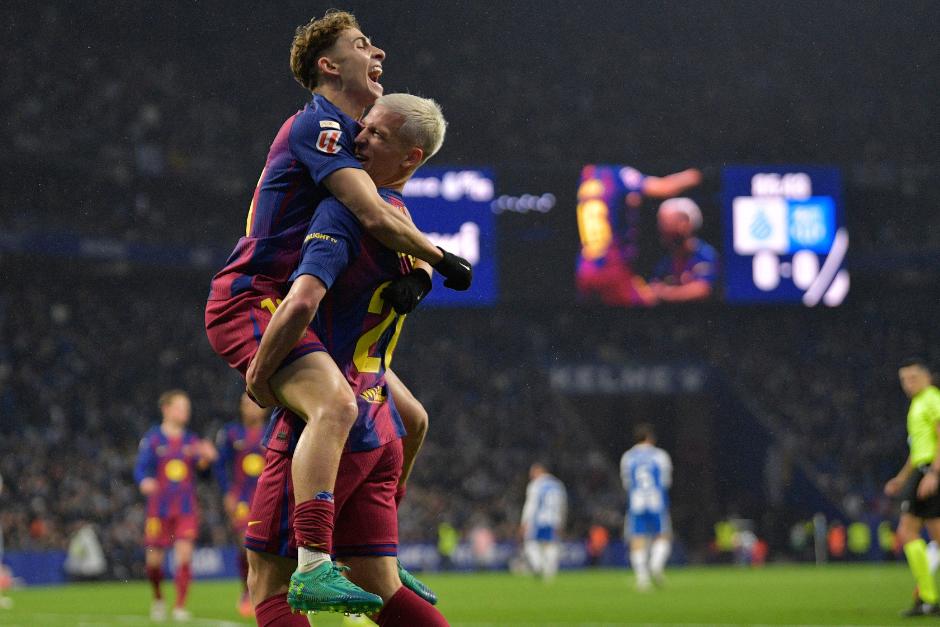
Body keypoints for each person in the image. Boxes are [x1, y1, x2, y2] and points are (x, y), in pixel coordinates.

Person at [204, 10, 470, 615]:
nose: (376, 50)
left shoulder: (350, 166)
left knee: (388, 412)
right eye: (360, 44)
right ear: (329, 65)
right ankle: (340, 564)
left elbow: (378, 219)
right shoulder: (319, 126)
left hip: (295, 310)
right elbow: (376, 218)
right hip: (255, 296)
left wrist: (424, 270)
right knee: (358, 407)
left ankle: (338, 561)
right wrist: (442, 262)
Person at [244, 93, 450, 626]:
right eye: (364, 127)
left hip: (332, 425)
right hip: (383, 425)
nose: (358, 138)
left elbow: (304, 300)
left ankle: (316, 565)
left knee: (268, 578)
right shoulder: (406, 228)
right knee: (379, 585)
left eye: (377, 135)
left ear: (411, 157)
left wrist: (260, 374)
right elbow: (419, 419)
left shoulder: (345, 211)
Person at [134, 390, 218, 622]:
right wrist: (144, 481)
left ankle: (180, 606)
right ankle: (159, 598)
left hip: (185, 508)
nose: (186, 412)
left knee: (184, 556)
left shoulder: (192, 440)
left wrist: (207, 459)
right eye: (181, 407)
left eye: (187, 408)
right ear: (167, 409)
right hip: (158, 509)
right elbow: (140, 468)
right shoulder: (152, 439)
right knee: (154, 563)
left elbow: (205, 473)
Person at [576, 165, 701, 306]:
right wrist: (697, 174)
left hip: (585, 268)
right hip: (611, 267)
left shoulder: (588, 176)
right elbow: (665, 187)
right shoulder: (618, 174)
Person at [884, 357, 940, 617]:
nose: (908, 384)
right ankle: (928, 599)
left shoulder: (931, 398)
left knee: (910, 531)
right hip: (922, 469)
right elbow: (916, 449)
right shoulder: (918, 404)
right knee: (927, 533)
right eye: (903, 380)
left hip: (930, 469)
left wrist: (934, 473)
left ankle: (928, 598)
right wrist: (902, 477)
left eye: (913, 378)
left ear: (927, 377)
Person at [214, 393, 269, 617]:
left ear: (264, 408)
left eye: (254, 402)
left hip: (269, 496)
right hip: (243, 499)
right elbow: (220, 466)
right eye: (245, 403)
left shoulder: (274, 430)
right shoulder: (230, 433)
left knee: (270, 549)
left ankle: (269, 592)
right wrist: (227, 492)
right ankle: (247, 592)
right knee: (246, 546)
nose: (250, 407)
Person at [620, 423, 673, 591]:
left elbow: (627, 482)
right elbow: (666, 481)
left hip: (637, 501)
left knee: (637, 538)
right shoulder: (660, 456)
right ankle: (656, 565)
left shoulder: (628, 457)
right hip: (656, 500)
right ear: (650, 438)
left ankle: (643, 579)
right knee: (663, 536)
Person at [649, 197, 718, 303]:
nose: (661, 229)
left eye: (666, 223)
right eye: (660, 223)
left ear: (685, 224)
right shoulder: (666, 259)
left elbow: (702, 289)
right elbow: (653, 287)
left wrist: (666, 293)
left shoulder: (705, 254)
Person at [520, 463, 567, 581]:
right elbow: (563, 506)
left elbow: (531, 505)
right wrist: (561, 522)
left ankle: (538, 566)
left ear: (538, 471)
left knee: (530, 543)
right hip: (554, 520)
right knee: (551, 545)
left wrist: (524, 521)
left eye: (532, 472)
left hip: (538, 520)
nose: (531, 476)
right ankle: (550, 573)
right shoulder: (558, 485)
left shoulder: (536, 485)